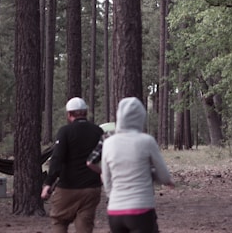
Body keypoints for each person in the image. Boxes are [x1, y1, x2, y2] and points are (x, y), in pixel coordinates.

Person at [101, 97, 175, 233]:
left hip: (115, 211)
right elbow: (164, 176)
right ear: (141, 117)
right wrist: (161, 178)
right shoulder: (147, 141)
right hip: (141, 209)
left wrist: (114, 198)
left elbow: (106, 179)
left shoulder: (108, 143)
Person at [41, 97, 105, 233]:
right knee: (85, 225)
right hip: (91, 187)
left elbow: (57, 158)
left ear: (69, 114)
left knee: (59, 220)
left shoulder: (65, 132)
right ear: (85, 112)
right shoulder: (97, 131)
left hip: (67, 187)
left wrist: (48, 183)